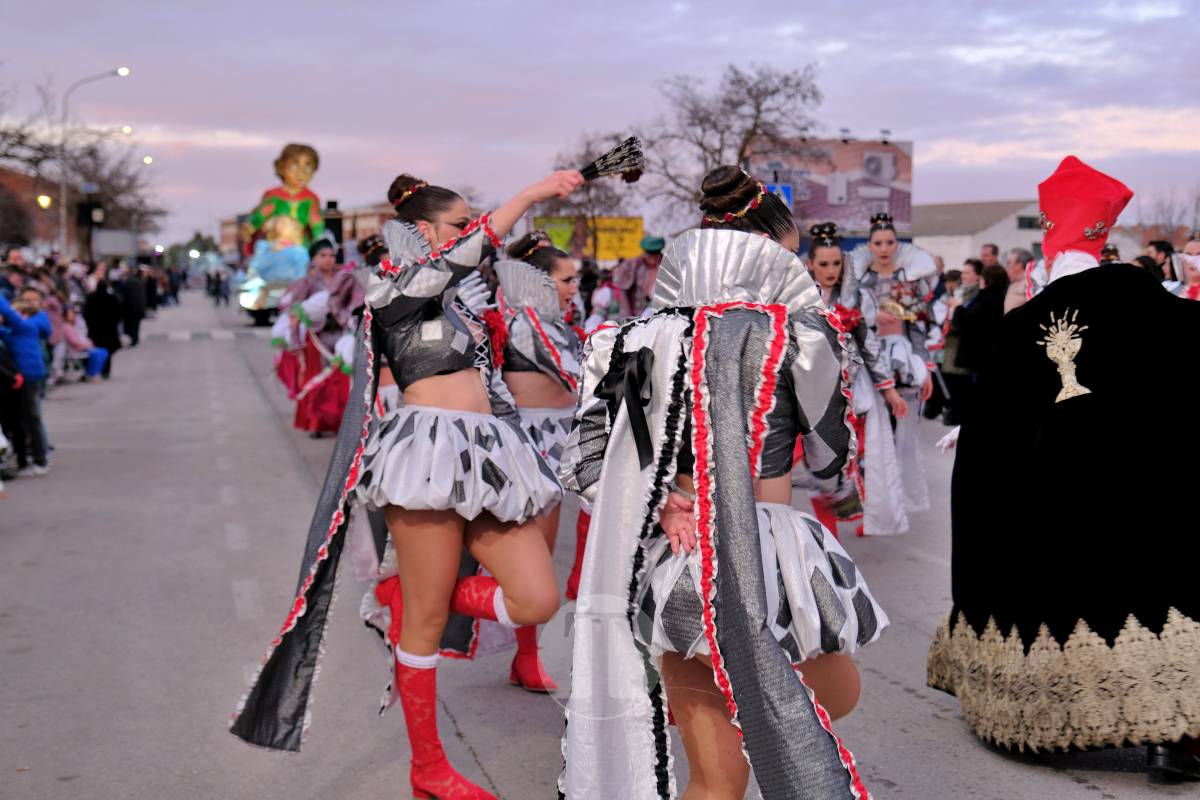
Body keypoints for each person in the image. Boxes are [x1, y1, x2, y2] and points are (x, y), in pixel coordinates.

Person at [232, 168, 585, 800]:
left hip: (490, 456)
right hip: (427, 456)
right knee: (422, 625)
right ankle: (428, 769)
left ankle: (419, 593)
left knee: (537, 599)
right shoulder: (392, 285)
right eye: (458, 223)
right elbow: (456, 261)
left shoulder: (465, 300)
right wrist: (529, 195)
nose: (473, 233)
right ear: (423, 233)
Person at [559, 167, 883, 799]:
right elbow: (828, 454)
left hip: (685, 557)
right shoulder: (798, 335)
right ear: (769, 253)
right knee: (721, 777)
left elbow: (594, 459)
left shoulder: (636, 340)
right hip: (760, 557)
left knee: (757, 742)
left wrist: (658, 503)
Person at [927, 156, 1200, 784]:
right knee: (1145, 593)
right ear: (1101, 238)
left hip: (1047, 488)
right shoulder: (1141, 298)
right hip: (1131, 482)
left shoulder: (1022, 323)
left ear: (1050, 249)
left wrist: (971, 437)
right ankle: (1171, 740)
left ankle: (1039, 721)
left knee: (1058, 588)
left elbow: (997, 415)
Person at [485, 230, 585, 688]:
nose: (573, 289)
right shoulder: (529, 322)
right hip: (535, 442)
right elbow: (579, 373)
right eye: (566, 280)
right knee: (538, 556)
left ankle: (540, 651)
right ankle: (527, 658)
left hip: (561, 434)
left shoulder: (553, 320)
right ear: (540, 282)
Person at [803, 221, 905, 536]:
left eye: (836, 263)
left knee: (856, 458)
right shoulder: (796, 296)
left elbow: (869, 344)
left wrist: (888, 390)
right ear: (810, 264)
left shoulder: (855, 297)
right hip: (810, 391)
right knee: (819, 463)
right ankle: (828, 532)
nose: (831, 270)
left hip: (852, 390)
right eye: (824, 264)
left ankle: (859, 512)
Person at [843, 212, 936, 535]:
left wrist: (926, 370)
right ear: (868, 245)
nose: (884, 248)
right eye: (878, 242)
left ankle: (898, 503)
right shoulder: (858, 281)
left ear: (898, 244)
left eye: (890, 242)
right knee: (869, 439)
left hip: (903, 363)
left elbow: (921, 328)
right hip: (867, 364)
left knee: (902, 435)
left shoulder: (911, 278)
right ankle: (870, 506)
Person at [0, 286, 51, 476]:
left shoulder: (25, 327)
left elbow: (6, 312)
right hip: (26, 377)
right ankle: (34, 456)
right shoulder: (15, 331)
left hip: (28, 377)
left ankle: (40, 460)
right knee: (26, 419)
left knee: (32, 419)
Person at [83, 265, 123, 379]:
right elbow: (119, 313)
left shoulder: (91, 298)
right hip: (109, 329)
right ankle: (106, 370)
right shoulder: (112, 298)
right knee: (108, 352)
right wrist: (114, 323)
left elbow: (86, 314)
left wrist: (89, 324)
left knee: (97, 350)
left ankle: (98, 369)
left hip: (95, 329)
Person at [610, 234, 664, 318]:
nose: (653, 257)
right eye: (650, 253)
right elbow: (622, 291)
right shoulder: (632, 265)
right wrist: (626, 316)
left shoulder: (665, 265)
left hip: (659, 312)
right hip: (635, 312)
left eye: (656, 253)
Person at [61, 305, 109, 380]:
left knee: (103, 352)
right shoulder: (66, 327)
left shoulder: (73, 326)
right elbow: (74, 342)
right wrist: (86, 344)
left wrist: (87, 342)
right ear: (65, 315)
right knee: (97, 353)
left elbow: (80, 337)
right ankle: (90, 373)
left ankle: (91, 372)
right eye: (70, 313)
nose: (73, 315)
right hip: (76, 349)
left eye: (73, 313)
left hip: (81, 347)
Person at [122, 263, 147, 347]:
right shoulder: (136, 281)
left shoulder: (133, 281)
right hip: (135, 308)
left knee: (134, 325)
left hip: (133, 308)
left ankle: (134, 339)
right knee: (135, 325)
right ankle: (134, 339)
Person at [1003, 247, 1033, 313]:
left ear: (1019, 265)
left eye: (1009, 263)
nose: (1006, 267)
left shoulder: (1030, 285)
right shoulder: (1012, 283)